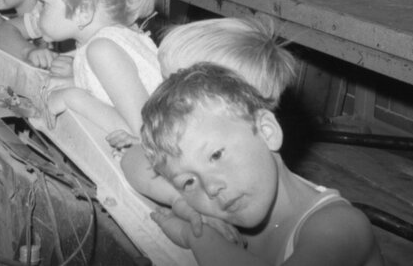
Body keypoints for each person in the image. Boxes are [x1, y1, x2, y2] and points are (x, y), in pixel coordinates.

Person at [141, 63, 383, 266]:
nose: (210, 188)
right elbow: (132, 159)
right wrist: (183, 205)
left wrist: (196, 236)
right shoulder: (231, 199)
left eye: (215, 156)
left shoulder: (337, 226)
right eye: (189, 182)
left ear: (267, 132)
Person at [113, 17, 299, 237]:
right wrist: (180, 199)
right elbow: (132, 159)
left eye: (176, 87)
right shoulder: (219, 172)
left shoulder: (325, 227)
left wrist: (196, 240)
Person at [29, 0, 160, 136]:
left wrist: (72, 97)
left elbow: (144, 133)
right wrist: (76, 82)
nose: (35, 11)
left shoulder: (103, 49)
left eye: (43, 2)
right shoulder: (105, 41)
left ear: (83, 11)